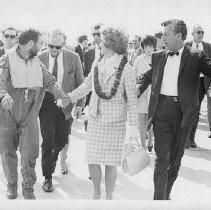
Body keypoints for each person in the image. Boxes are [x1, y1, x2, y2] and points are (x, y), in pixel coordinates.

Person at [137, 19, 211, 200]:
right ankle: (158, 200)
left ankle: (166, 193)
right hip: (161, 112)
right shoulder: (158, 56)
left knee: (175, 161)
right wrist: (136, 91)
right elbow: (147, 77)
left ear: (179, 36)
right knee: (161, 160)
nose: (162, 38)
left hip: (184, 114)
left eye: (166, 34)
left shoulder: (196, 55)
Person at [68, 26, 138, 200]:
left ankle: (109, 197)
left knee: (111, 163)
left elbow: (132, 99)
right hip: (95, 118)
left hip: (115, 123)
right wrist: (69, 97)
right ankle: (96, 192)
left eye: (102, 40)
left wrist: (134, 129)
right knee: (92, 159)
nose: (98, 43)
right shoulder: (97, 62)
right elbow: (87, 85)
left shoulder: (126, 68)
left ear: (111, 44)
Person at [0, 29, 70, 200]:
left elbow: (49, 80)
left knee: (30, 152)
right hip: (8, 112)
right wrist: (3, 95)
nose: (41, 46)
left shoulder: (37, 62)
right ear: (31, 44)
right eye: (40, 43)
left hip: (30, 113)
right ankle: (11, 184)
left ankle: (28, 188)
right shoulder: (6, 58)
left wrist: (61, 94)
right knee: (7, 150)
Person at [38, 29, 84, 192]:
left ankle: (55, 157)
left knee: (62, 140)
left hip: (66, 103)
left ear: (64, 44)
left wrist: (79, 105)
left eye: (57, 47)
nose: (53, 50)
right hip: (46, 104)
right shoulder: (40, 57)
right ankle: (48, 177)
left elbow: (80, 83)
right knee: (48, 140)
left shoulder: (74, 57)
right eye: (50, 46)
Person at [185, 25, 211, 148]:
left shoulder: (208, 47)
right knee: (187, 110)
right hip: (189, 82)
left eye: (202, 32)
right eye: (198, 32)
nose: (201, 34)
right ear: (192, 33)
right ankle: (184, 139)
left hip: (202, 82)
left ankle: (191, 139)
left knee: (196, 110)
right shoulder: (186, 46)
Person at [134, 35, 157, 151]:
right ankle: (143, 145)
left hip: (153, 94)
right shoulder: (138, 59)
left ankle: (151, 141)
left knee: (151, 121)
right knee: (141, 121)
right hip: (141, 94)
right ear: (143, 47)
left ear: (154, 47)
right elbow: (134, 77)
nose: (148, 49)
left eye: (151, 46)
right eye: (146, 46)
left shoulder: (158, 58)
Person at [83, 23, 103, 131]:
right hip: (92, 93)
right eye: (94, 34)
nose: (96, 37)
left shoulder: (114, 52)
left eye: (98, 34)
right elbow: (86, 73)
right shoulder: (88, 53)